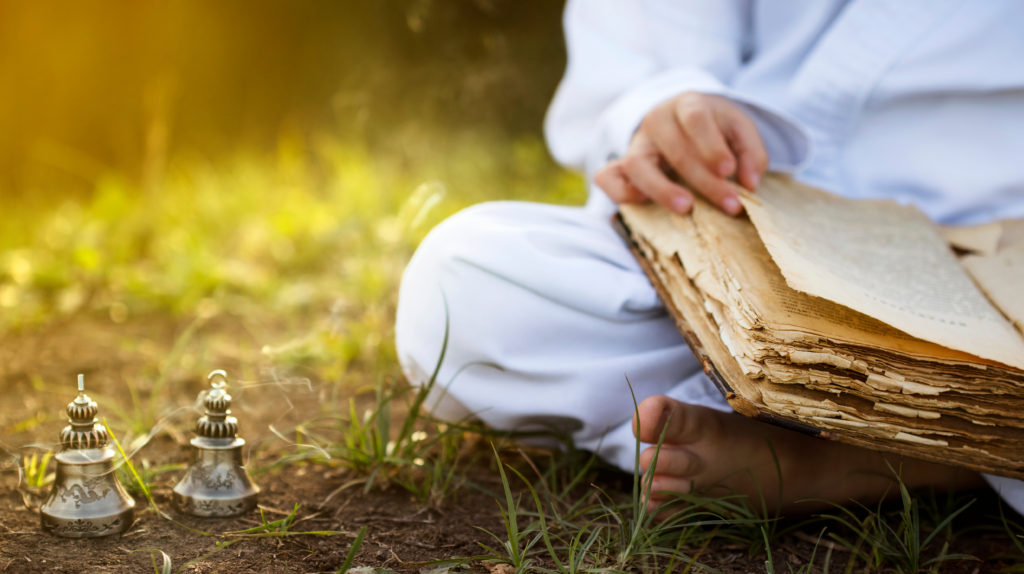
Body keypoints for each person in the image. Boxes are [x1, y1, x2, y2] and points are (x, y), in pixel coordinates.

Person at [394, 1, 1024, 514]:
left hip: (995, 274)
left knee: (990, 388)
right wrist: (670, 103)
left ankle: (912, 457)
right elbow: (653, 33)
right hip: (749, 218)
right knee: (461, 284)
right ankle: (837, 419)